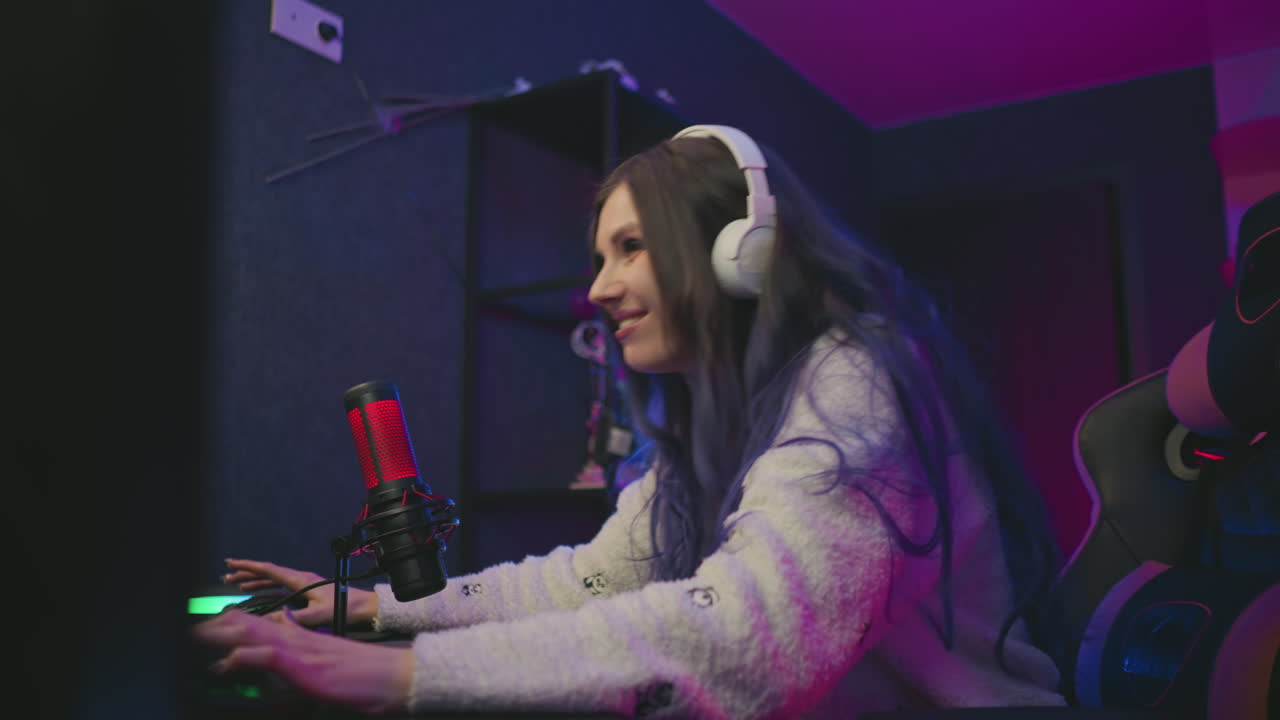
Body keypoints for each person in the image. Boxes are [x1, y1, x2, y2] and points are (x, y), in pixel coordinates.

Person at [197, 125, 1067, 717]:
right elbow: (589, 582)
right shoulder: (710, 416)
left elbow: (746, 635)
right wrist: (370, 612)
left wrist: (411, 677)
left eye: (632, 249)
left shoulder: (859, 379)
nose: (600, 287)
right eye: (598, 257)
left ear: (739, 254)